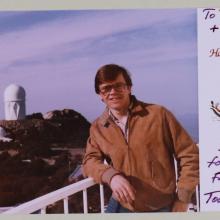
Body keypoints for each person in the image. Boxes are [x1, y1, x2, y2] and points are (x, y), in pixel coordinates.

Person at [82, 64, 199, 213]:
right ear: (100, 94)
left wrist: (183, 198)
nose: (113, 92)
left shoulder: (158, 115)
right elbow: (89, 161)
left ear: (129, 88)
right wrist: (111, 177)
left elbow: (190, 155)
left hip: (161, 205)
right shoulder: (98, 127)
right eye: (106, 88)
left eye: (119, 86)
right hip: (122, 204)